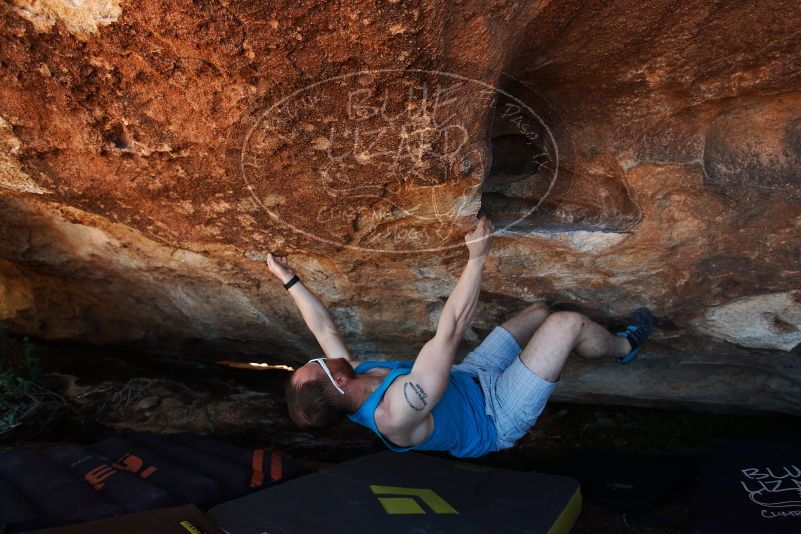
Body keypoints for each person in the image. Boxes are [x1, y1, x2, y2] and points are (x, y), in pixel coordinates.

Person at [267, 214, 654, 458]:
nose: (319, 355)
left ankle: (588, 341)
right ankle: (625, 346)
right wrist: (477, 257)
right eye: (316, 362)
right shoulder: (396, 413)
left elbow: (324, 328)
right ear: (336, 380)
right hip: (495, 415)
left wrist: (289, 280)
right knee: (566, 324)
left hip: (470, 377)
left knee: (539, 314)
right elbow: (450, 328)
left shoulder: (347, 377)